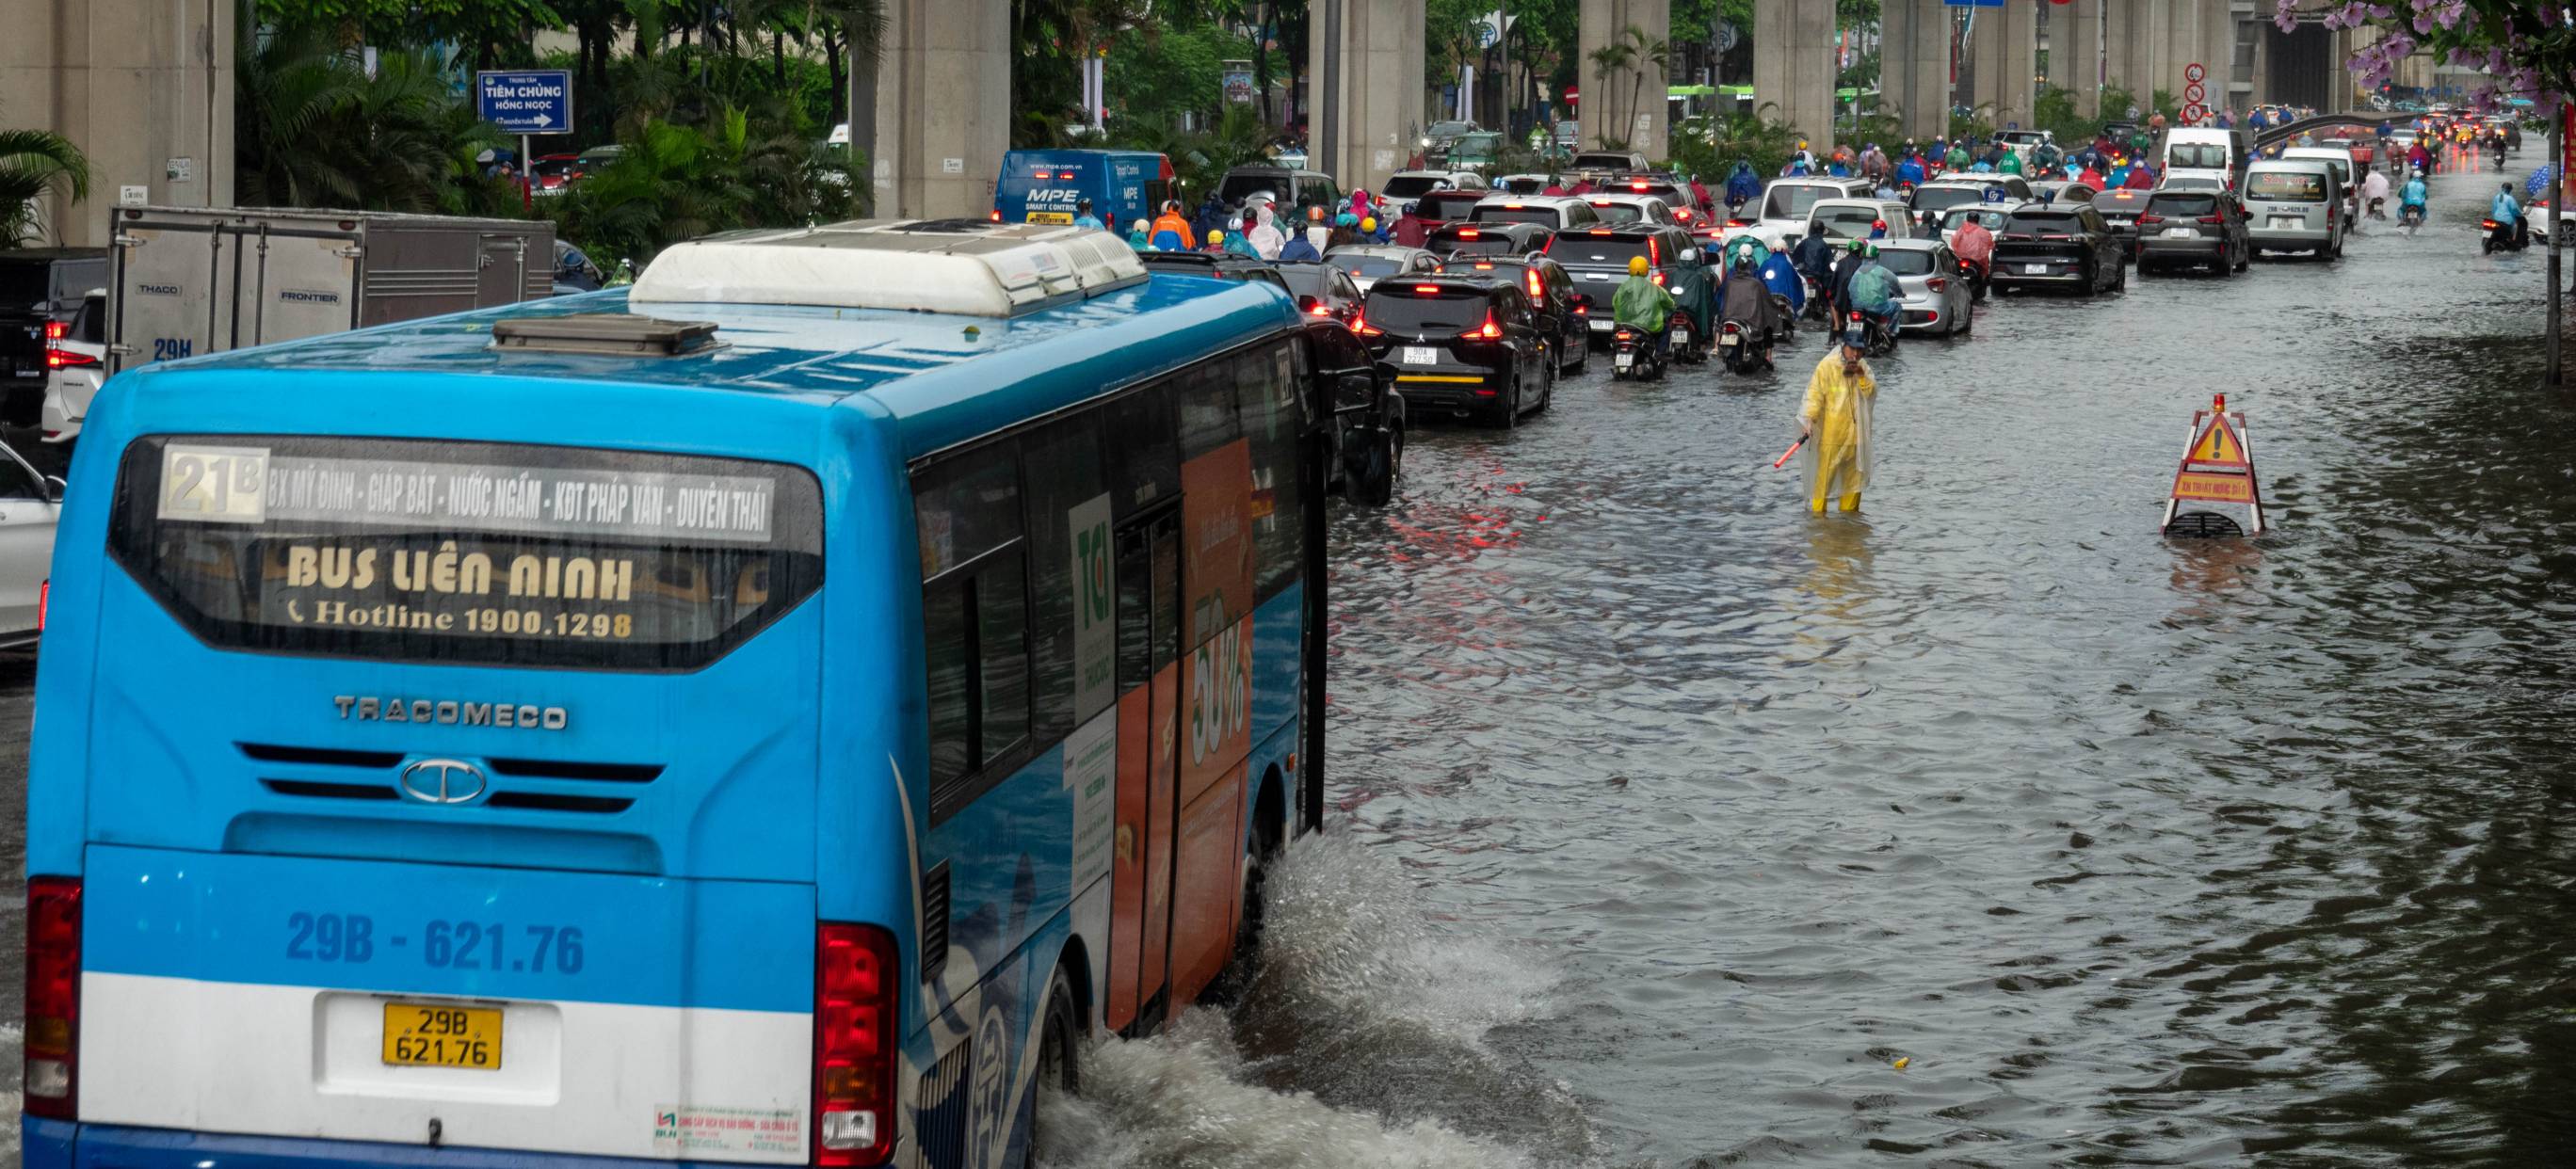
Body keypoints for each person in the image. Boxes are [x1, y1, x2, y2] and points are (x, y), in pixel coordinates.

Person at [1798, 326, 1878, 513]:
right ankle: (1818, 526)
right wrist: (1809, 420)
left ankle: (1848, 532)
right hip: (1832, 438)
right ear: (1844, 346)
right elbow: (1815, 395)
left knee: (1853, 489)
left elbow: (1871, 393)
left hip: (1856, 440)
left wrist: (1860, 374)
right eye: (1853, 349)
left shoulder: (1863, 366)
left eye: (1860, 349)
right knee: (1823, 485)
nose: (1856, 353)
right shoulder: (1827, 366)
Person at [1718, 250, 1782, 368]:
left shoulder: (1729, 283)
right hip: (1751, 321)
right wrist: (1774, 308)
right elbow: (1767, 302)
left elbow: (1720, 299)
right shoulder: (1756, 284)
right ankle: (1768, 357)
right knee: (1768, 322)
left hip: (1729, 318)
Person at [1612, 254, 1680, 360]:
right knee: (1666, 329)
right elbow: (1669, 303)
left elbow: (1614, 302)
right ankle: (1659, 355)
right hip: (1648, 327)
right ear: (1646, 269)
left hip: (1623, 325)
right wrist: (1672, 307)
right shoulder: (1655, 288)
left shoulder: (1622, 287)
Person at [1846, 244, 1899, 335]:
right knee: (1897, 306)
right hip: (1876, 308)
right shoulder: (1882, 271)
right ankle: (1890, 331)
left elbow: (1850, 289)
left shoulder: (1857, 272)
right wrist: (1900, 293)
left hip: (1858, 307)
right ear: (1877, 257)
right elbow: (1895, 282)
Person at [1952, 210, 1996, 291]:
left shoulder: (1960, 230)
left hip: (1963, 258)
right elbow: (1989, 243)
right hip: (1976, 259)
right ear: (1978, 220)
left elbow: (1954, 242)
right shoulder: (1983, 232)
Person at [2494, 182, 2527, 246]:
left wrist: (2495, 217)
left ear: (2502, 188)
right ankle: (2513, 241)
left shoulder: (2497, 197)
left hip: (2496, 219)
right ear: (2510, 190)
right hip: (2507, 220)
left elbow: (2494, 209)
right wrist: (2521, 214)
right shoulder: (2510, 198)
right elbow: (2514, 209)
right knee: (2516, 225)